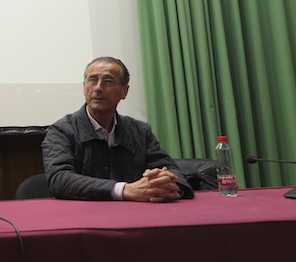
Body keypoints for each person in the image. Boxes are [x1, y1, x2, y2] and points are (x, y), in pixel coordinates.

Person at [42, 56, 193, 202]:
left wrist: (165, 184)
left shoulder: (140, 131)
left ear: (124, 92)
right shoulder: (62, 131)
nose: (98, 88)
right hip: (84, 218)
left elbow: (172, 171)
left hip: (136, 216)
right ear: (84, 87)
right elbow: (59, 179)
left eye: (108, 81)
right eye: (93, 80)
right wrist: (124, 190)